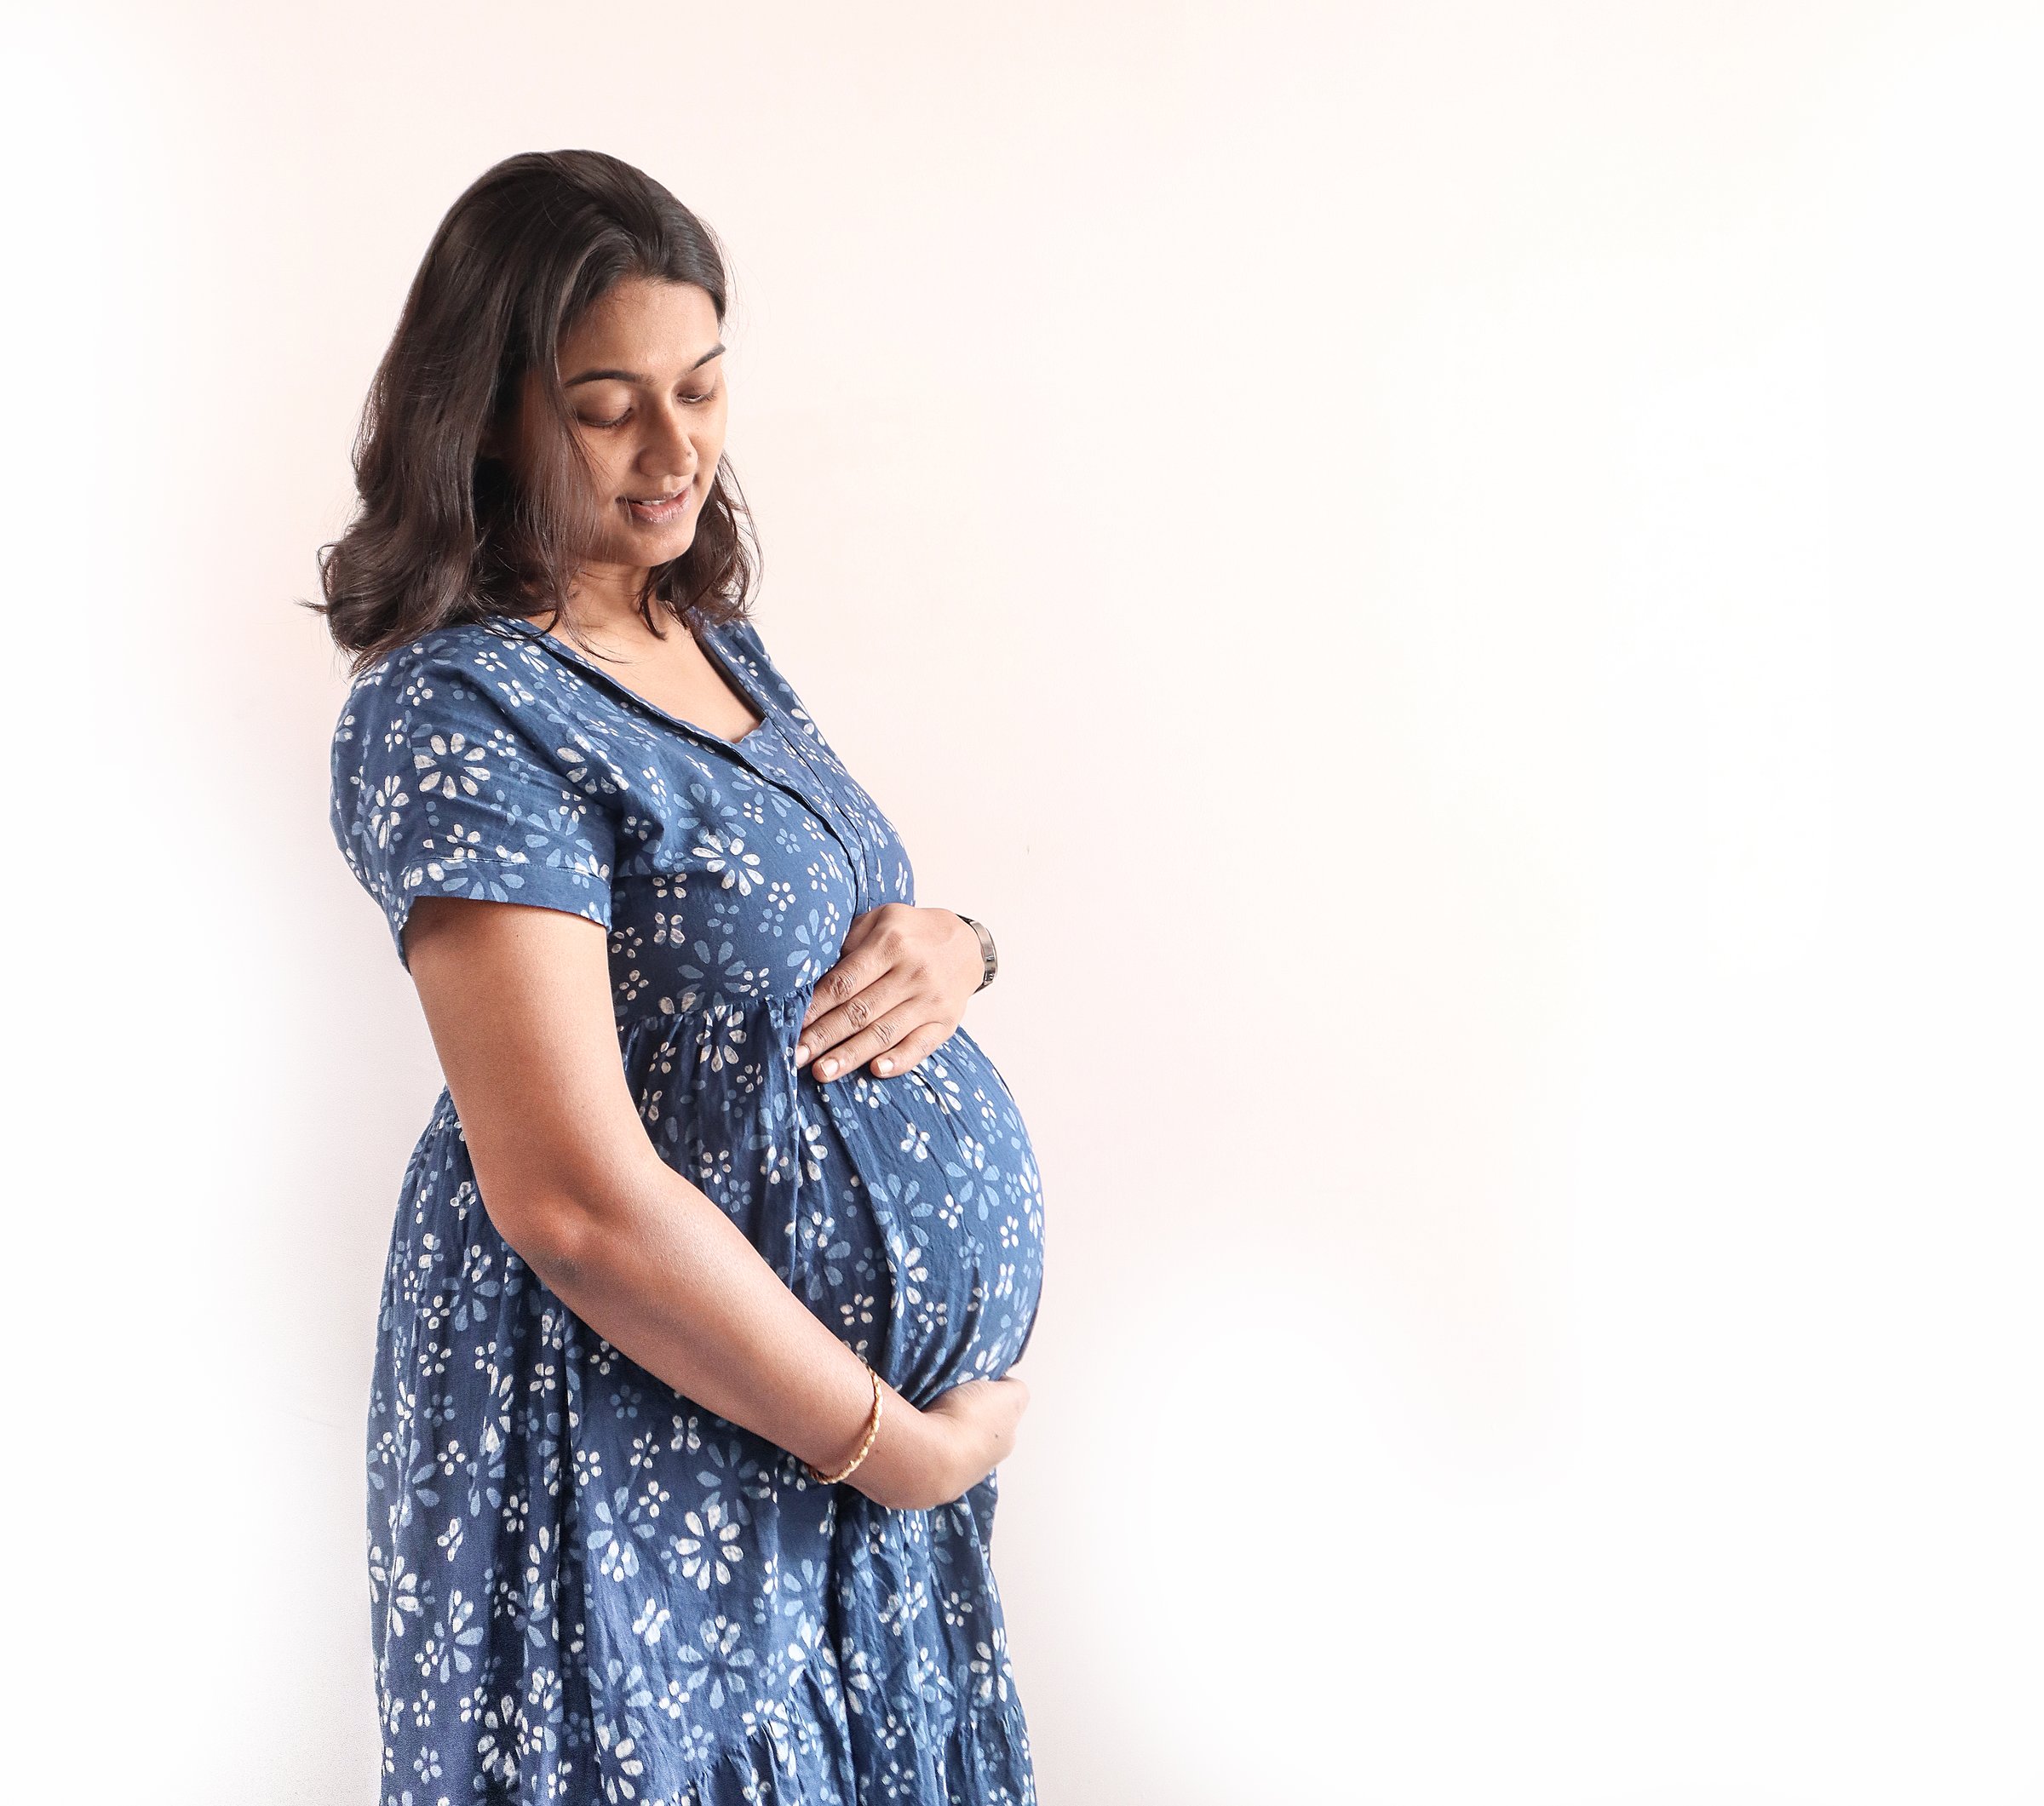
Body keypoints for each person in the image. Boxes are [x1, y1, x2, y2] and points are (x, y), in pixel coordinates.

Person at [316, 148, 1048, 1806]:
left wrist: (960, 938)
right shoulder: (455, 707)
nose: (676, 449)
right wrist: (890, 1439)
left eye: (703, 387)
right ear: (490, 413)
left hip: (809, 1455)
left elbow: (793, 930)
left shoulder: (708, 636)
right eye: (608, 404)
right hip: (632, 1441)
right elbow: (569, 1194)